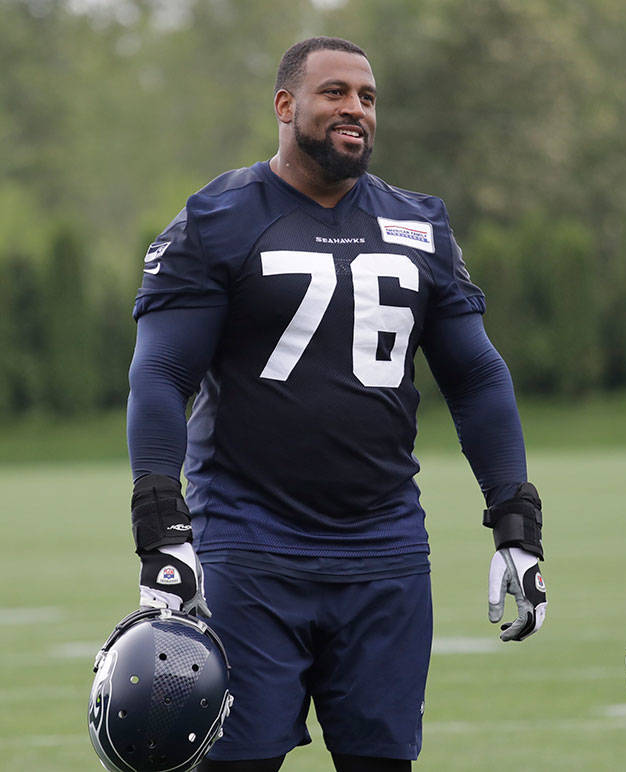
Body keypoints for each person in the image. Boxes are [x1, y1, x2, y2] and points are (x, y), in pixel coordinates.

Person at [127, 36, 548, 772]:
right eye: (336, 93)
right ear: (286, 107)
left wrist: (516, 519)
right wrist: (161, 526)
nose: (356, 108)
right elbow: (161, 373)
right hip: (250, 547)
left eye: (368, 96)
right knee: (235, 763)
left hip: (385, 552)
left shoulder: (420, 225)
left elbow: (477, 377)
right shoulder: (218, 218)